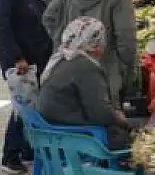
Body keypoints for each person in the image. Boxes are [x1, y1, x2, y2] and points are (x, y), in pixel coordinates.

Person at [43, 0, 138, 105]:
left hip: (67, 67)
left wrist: (65, 42)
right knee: (104, 117)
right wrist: (128, 70)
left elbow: (48, 18)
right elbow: (126, 41)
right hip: (104, 71)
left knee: (75, 114)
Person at [0, 0, 52, 175]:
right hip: (20, 60)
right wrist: (17, 57)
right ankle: (10, 155)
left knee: (31, 103)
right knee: (23, 106)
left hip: (36, 55)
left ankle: (27, 149)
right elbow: (2, 26)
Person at [37, 17, 134, 149]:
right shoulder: (86, 66)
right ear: (94, 43)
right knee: (127, 138)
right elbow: (100, 114)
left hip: (51, 124)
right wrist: (123, 121)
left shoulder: (64, 58)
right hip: (68, 129)